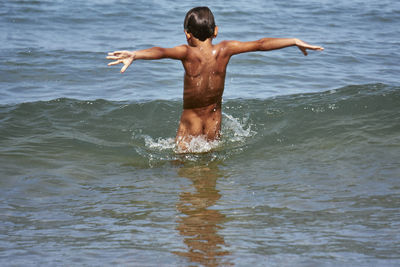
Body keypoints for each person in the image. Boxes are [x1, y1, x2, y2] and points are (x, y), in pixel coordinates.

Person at [107, 6, 323, 153]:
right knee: (210, 166)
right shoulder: (225, 50)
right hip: (213, 120)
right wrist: (294, 41)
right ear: (216, 31)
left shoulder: (186, 52)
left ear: (187, 34)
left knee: (182, 165)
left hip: (190, 121)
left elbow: (161, 51)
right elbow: (261, 43)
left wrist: (135, 54)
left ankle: (192, 208)